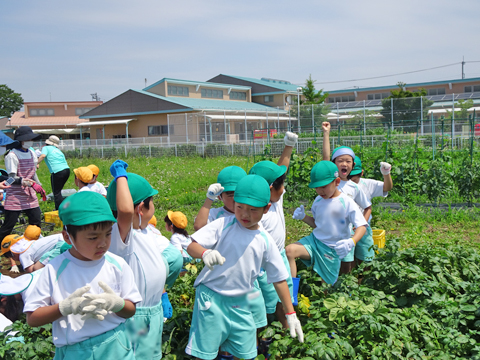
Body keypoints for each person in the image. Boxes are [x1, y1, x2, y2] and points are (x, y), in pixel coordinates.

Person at [185, 175, 303, 360]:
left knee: (246, 353)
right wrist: (204, 253)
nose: (245, 214)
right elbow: (191, 244)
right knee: (204, 353)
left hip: (242, 302)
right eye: (239, 207)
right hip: (212, 298)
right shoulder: (224, 224)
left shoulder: (265, 240)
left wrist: (290, 312)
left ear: (266, 209)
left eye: (253, 210)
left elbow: (279, 278)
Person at [24, 191, 142, 360]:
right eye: (93, 237)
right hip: (75, 351)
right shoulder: (54, 270)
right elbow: (32, 318)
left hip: (115, 345)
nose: (102, 243)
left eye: (108, 234)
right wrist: (64, 308)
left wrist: (117, 303)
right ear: (68, 237)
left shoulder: (117, 264)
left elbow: (130, 310)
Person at [106, 160, 181, 360]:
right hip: (135, 317)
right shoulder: (121, 235)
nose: (154, 206)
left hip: (151, 312)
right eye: (152, 201)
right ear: (141, 207)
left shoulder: (146, 230)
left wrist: (162, 293)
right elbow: (125, 212)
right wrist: (120, 176)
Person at [286, 161, 368, 285]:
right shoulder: (318, 201)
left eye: (323, 186)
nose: (319, 191)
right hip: (314, 241)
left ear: (337, 182)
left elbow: (362, 226)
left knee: (326, 288)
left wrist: (352, 241)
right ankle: (291, 293)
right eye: (316, 187)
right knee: (289, 251)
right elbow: (317, 224)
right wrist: (303, 217)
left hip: (331, 249)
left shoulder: (346, 202)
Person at [248, 131, 298, 330]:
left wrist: (289, 145)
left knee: (284, 296)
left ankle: (284, 324)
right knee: (272, 301)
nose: (284, 186)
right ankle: (275, 332)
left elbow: (281, 169)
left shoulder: (275, 199)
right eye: (281, 184)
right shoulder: (255, 213)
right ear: (269, 188)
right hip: (264, 264)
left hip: (279, 256)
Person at [322, 123, 372, 273]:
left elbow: (368, 207)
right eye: (340, 161)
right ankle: (337, 290)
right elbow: (325, 160)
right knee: (337, 266)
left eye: (348, 161)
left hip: (350, 233)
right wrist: (326, 134)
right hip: (333, 232)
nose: (344, 164)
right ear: (333, 164)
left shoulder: (354, 187)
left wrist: (361, 224)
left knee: (354, 264)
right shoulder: (330, 182)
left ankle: (353, 290)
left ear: (353, 165)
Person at [0, 127, 43, 247]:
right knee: (9, 224)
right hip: (15, 195)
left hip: (29, 193)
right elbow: (10, 178)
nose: (30, 141)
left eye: (31, 138)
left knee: (36, 220)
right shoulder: (12, 155)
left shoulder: (31, 153)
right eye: (27, 139)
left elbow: (33, 173)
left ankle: (33, 244)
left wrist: (38, 185)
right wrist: (22, 182)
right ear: (21, 140)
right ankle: (3, 245)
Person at [193, 166, 247, 230]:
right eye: (230, 195)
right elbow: (199, 227)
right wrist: (210, 198)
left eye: (239, 193)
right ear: (219, 196)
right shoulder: (214, 215)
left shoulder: (251, 213)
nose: (235, 199)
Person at [37, 135, 70, 210]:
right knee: (58, 192)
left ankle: (59, 210)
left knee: (57, 193)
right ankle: (61, 208)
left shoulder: (45, 148)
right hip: (67, 170)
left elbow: (42, 156)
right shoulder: (58, 150)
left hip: (57, 171)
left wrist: (35, 163)